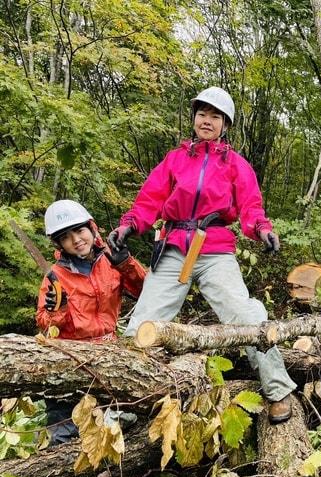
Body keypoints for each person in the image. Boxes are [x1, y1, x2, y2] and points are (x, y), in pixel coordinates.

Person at [107, 86, 297, 424]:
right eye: (202, 114)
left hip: (214, 248)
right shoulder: (175, 159)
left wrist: (263, 231)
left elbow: (251, 208)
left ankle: (278, 390)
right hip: (173, 245)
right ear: (193, 118)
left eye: (215, 116)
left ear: (225, 124)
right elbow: (149, 200)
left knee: (246, 317)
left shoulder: (236, 165)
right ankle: (124, 406)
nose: (206, 120)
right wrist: (129, 225)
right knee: (142, 323)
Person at [36, 199, 146, 444]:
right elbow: (45, 323)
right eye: (66, 237)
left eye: (79, 230)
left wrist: (126, 264)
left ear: (91, 228)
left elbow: (147, 293)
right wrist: (58, 310)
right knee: (64, 430)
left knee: (120, 424)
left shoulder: (111, 261)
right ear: (59, 243)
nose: (76, 240)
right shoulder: (55, 275)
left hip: (109, 354)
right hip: (69, 356)